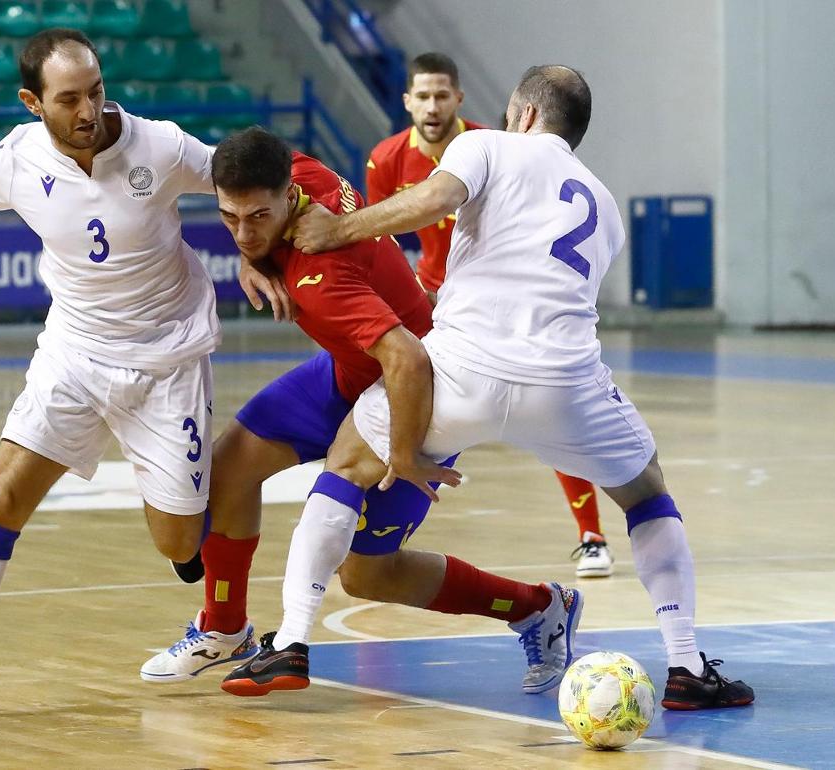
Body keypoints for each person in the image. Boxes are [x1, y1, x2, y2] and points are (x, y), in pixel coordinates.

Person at [0, 29, 288, 720]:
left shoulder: (157, 145)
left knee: (178, 540)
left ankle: (213, 596)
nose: (88, 110)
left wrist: (256, 250)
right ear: (31, 101)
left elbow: (240, 182)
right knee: (7, 492)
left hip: (164, 360)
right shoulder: (16, 160)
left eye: (96, 91)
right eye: (69, 98)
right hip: (74, 354)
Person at [279, 65, 754, 711]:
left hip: (463, 369)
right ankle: (686, 666)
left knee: (346, 464)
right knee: (646, 493)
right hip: (565, 384)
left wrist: (336, 230)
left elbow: (435, 200)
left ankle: (291, 642)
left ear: (524, 113)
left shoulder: (485, 145)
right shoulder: (604, 203)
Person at [141, 127, 582, 699]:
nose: (244, 230)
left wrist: (402, 453)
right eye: (230, 218)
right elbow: (252, 202)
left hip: (415, 394)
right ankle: (225, 627)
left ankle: (539, 606)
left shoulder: (318, 276)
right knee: (228, 470)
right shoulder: (301, 174)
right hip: (347, 373)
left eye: (257, 218)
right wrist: (253, 258)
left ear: (284, 195)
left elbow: (408, 358)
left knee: (367, 574)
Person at [368, 52, 611, 577]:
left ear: (458, 98)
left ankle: (591, 534)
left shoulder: (494, 147)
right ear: (407, 101)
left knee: (545, 409)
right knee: (386, 395)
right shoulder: (386, 159)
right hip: (428, 296)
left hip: (487, 302)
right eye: (422, 96)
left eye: (442, 95)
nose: (432, 106)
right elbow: (381, 238)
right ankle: (375, 522)